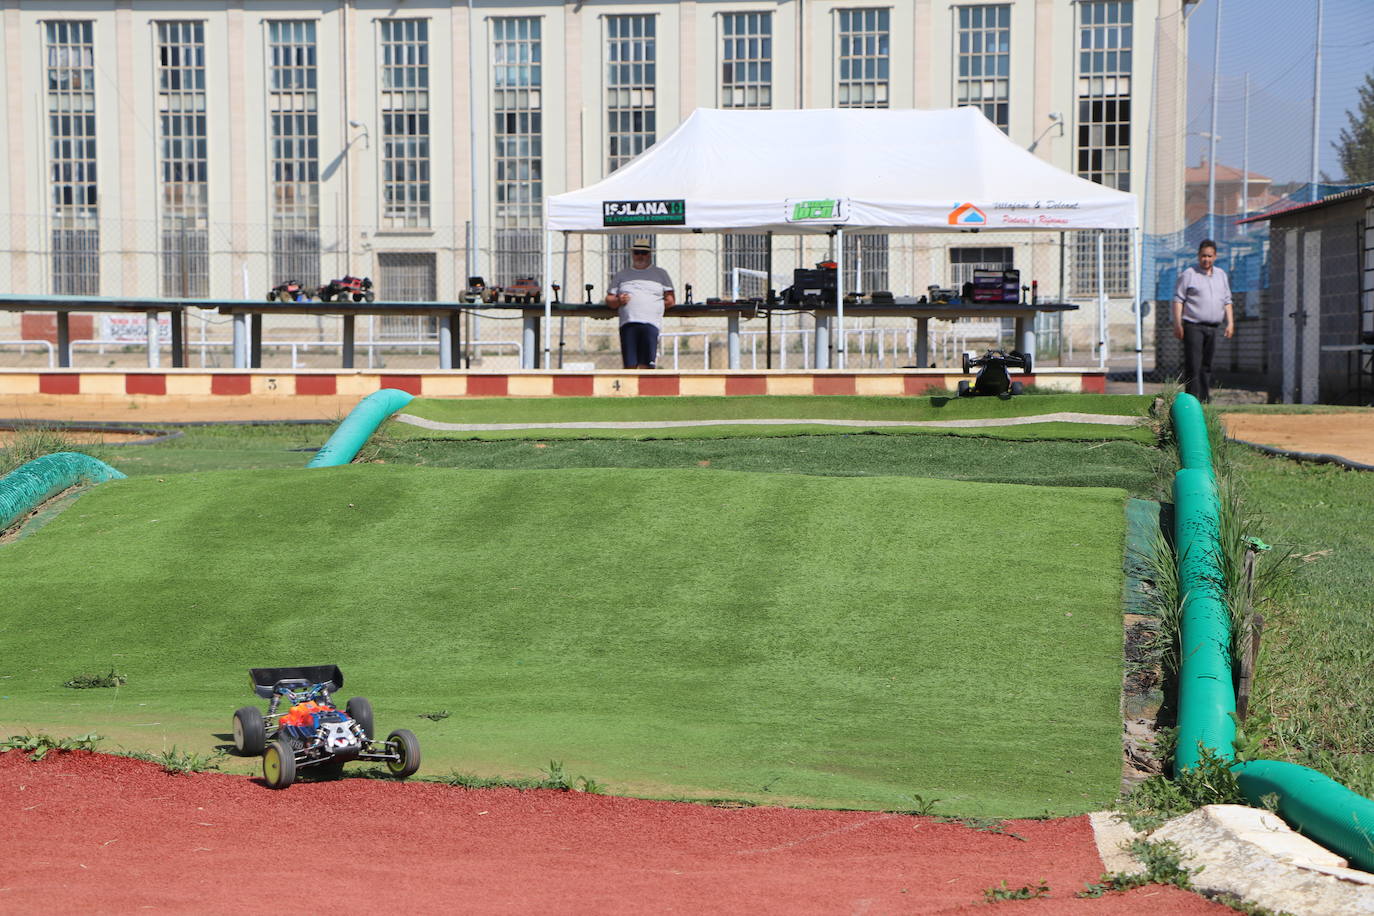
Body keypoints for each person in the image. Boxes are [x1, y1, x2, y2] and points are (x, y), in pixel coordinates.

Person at [1173, 238, 1234, 403]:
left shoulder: (1221, 275)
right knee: (1194, 364)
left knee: (1207, 366)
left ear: (1215, 257)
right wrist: (1178, 323)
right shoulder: (1189, 274)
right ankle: (1191, 401)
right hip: (1193, 326)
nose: (1206, 259)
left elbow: (1227, 301)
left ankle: (1205, 400)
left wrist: (1230, 323)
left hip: (1213, 327)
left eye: (1209, 256)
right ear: (1198, 256)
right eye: (1203, 256)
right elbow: (1178, 299)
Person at [606, 237, 675, 369]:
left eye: (644, 253)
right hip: (628, 323)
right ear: (632, 255)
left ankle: (647, 389)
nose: (640, 256)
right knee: (630, 365)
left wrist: (653, 305)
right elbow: (609, 299)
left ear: (649, 255)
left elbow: (670, 300)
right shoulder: (621, 274)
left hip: (651, 324)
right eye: (637, 252)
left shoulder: (661, 274)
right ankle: (629, 389)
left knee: (647, 365)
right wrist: (619, 300)